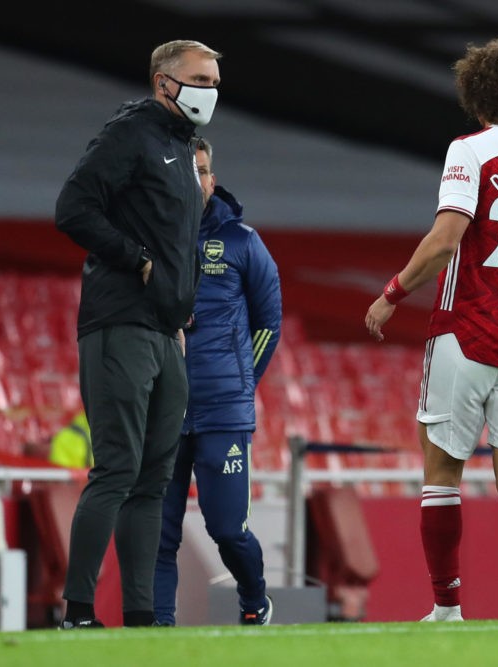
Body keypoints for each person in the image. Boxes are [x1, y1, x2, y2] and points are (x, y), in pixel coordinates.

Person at [364, 38, 498, 621]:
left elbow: (445, 238)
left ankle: (447, 608)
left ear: (475, 92)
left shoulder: (470, 151)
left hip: (464, 332)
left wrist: (391, 294)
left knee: (442, 474)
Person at [54, 39, 222, 628]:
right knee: (118, 470)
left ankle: (142, 616)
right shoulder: (132, 134)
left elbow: (179, 248)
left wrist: (178, 314)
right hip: (120, 322)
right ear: (163, 84)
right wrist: (136, 259)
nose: (211, 89)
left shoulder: (181, 149)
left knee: (153, 481)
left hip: (164, 332)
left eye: (214, 79)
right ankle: (77, 610)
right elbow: (73, 207)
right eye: (199, 79)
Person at [153, 136, 282, 626]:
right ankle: (157, 631)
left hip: (222, 410)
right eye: (189, 171)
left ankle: (254, 599)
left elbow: (268, 322)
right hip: (163, 409)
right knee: (159, 533)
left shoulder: (243, 242)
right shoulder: (152, 238)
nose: (199, 180)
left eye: (204, 171)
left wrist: (239, 385)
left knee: (227, 529)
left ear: (212, 178)